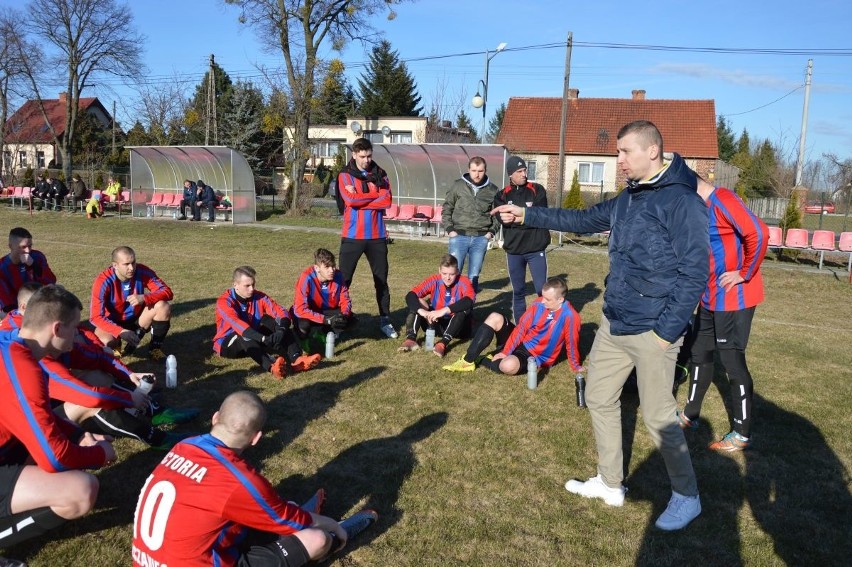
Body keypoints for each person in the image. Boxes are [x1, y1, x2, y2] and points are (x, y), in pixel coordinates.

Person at [493, 120, 709, 531]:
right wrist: (528, 214)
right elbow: (582, 219)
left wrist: (666, 333)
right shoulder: (630, 197)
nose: (620, 161)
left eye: (626, 152)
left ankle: (687, 496)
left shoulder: (683, 202)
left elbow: (695, 273)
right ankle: (611, 483)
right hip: (615, 321)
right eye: (618, 153)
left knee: (659, 418)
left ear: (653, 152)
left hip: (654, 329)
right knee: (598, 396)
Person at [132, 390, 377, 567]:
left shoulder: (184, 445)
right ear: (256, 438)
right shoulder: (238, 480)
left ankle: (299, 517)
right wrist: (333, 526)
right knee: (317, 538)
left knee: (276, 510)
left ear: (216, 417)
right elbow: (290, 520)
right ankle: (337, 537)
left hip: (145, 560)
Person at [0, 285, 116, 553]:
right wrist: (99, 454)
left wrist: (77, 435)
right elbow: (54, 458)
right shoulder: (23, 366)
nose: (77, 336)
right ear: (56, 329)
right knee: (80, 491)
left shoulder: (13, 346)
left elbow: (33, 416)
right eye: (74, 328)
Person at [678, 176, 769, 452]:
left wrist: (744, 273)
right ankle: (690, 416)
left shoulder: (724, 200)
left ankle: (741, 433)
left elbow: (760, 233)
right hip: (708, 298)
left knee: (732, 362)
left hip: (734, 299)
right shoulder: (699, 208)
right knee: (700, 353)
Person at [443, 276, 582, 375]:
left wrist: (576, 366)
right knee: (494, 317)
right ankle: (468, 360)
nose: (543, 301)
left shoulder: (570, 316)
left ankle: (483, 360)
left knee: (507, 366)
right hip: (520, 342)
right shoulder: (538, 303)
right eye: (543, 297)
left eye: (548, 299)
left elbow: (572, 342)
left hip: (535, 356)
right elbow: (521, 328)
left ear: (561, 300)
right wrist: (506, 351)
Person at [336, 137, 397, 339]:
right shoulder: (345, 175)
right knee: (343, 281)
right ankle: (337, 322)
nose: (366, 160)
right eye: (362, 156)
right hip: (352, 236)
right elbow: (350, 201)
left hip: (377, 236)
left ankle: (385, 320)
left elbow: (387, 201)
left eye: (369, 156)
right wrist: (374, 194)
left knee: (381, 281)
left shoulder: (380, 173)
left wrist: (363, 198)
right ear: (354, 154)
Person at [214, 266, 321, 379]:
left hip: (253, 340)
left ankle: (298, 360)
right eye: (247, 286)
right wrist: (263, 338)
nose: (251, 289)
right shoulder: (224, 302)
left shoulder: (258, 296)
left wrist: (282, 330)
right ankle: (272, 367)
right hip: (227, 344)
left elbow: (281, 311)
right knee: (243, 334)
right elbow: (237, 324)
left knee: (275, 323)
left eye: (253, 284)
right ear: (235, 285)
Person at [493, 156, 551, 323]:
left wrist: (519, 218)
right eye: (519, 171)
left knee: (542, 290)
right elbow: (502, 219)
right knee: (518, 290)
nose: (524, 174)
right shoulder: (502, 195)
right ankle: (520, 326)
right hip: (514, 251)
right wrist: (525, 217)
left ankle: (543, 324)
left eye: (525, 170)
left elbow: (541, 216)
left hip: (536, 249)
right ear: (510, 174)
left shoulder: (537, 190)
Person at [90, 246, 173, 360]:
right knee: (105, 341)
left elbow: (167, 292)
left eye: (133, 262)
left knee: (163, 306)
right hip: (113, 322)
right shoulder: (103, 281)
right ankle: (116, 347)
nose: (131, 268)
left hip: (137, 319)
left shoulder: (142, 271)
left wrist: (145, 297)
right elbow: (95, 317)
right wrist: (120, 331)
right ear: (115, 265)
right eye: (126, 264)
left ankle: (154, 349)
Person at [398, 254, 475, 358]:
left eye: (451, 274)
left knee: (465, 309)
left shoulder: (464, 281)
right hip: (435, 324)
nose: (448, 278)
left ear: (457, 271)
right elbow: (410, 295)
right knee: (418, 301)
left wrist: (444, 310)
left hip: (459, 328)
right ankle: (411, 339)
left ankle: (443, 343)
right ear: (439, 270)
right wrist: (422, 311)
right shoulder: (434, 280)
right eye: (444, 273)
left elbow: (469, 301)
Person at [442, 156, 500, 293]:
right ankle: (449, 305)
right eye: (474, 170)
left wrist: (491, 232)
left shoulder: (493, 190)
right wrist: (450, 229)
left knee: (473, 276)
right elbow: (447, 207)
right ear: (469, 170)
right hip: (459, 236)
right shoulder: (458, 185)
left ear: (485, 170)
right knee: (452, 273)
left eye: (480, 170)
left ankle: (468, 308)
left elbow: (497, 214)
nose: (477, 174)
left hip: (481, 238)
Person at [291, 249, 355, 351]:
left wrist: (344, 315)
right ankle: (304, 342)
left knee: (351, 320)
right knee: (303, 325)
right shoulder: (306, 277)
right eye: (327, 267)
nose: (332, 270)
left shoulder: (338, 275)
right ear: (317, 268)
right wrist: (326, 320)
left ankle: (323, 332)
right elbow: (300, 309)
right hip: (307, 312)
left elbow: (345, 300)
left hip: (326, 310)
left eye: (333, 266)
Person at [0, 227, 57, 312]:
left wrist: (34, 266)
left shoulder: (37, 256)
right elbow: (5, 299)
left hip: (38, 299)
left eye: (30, 246)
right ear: (11, 246)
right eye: (23, 247)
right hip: (17, 306)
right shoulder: (2, 267)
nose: (28, 250)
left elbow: (51, 281)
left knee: (59, 289)